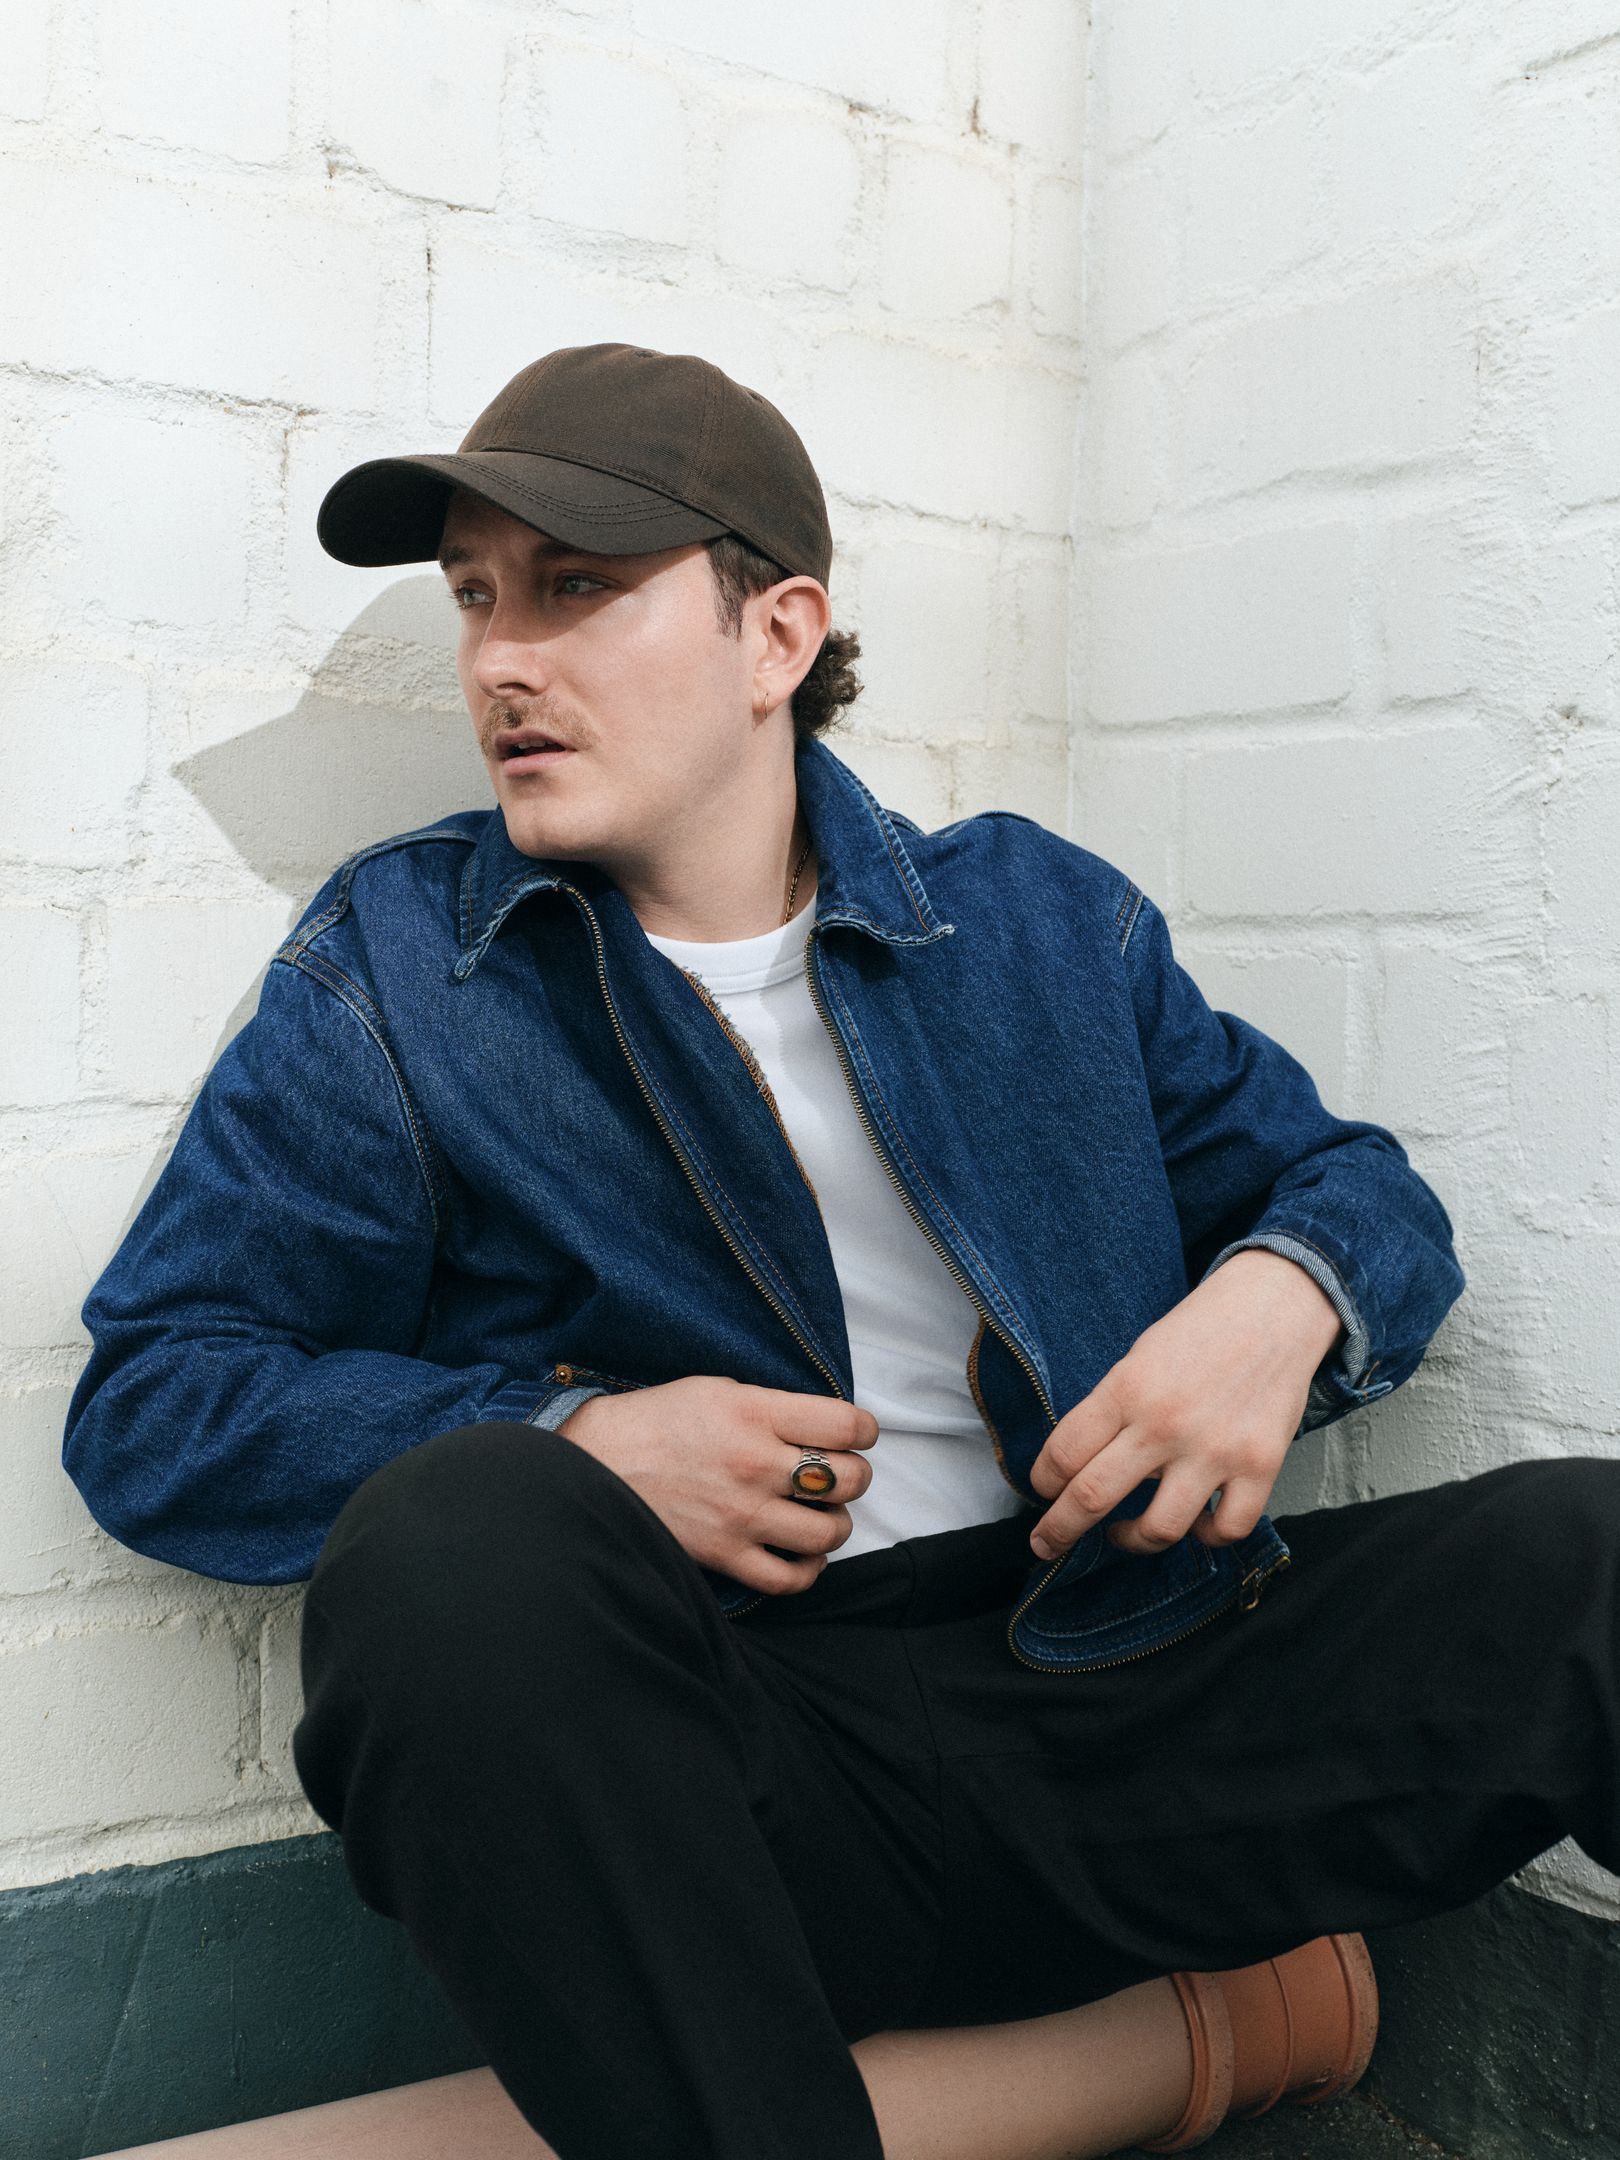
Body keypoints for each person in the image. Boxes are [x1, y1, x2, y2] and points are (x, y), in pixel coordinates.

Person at [62, 342, 1620, 2160]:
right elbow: (163, 1396)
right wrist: (582, 1446)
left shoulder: (1035, 919)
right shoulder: (406, 967)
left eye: (574, 587)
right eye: (476, 596)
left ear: (778, 636)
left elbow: (1363, 1198)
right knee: (454, 1543)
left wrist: (1277, 1305)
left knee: (1591, 1555)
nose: (499, 659)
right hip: (751, 1798)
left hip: (1129, 1693)